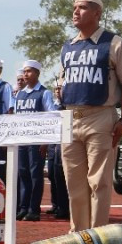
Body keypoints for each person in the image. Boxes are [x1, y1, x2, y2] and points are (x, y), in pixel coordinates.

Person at [58, 0, 122, 231]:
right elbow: (62, 80)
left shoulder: (114, 43)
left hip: (100, 116)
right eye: (74, 8)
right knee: (74, 184)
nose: (76, 12)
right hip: (70, 117)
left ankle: (96, 236)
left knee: (99, 183)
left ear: (97, 13)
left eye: (82, 8)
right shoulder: (68, 47)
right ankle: (78, 235)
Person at [15, 60, 55, 221]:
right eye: (24, 71)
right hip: (22, 140)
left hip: (37, 140)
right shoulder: (20, 94)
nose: (26, 74)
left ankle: (34, 209)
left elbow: (51, 117)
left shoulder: (44, 93)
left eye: (29, 71)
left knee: (35, 175)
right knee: (23, 172)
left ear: (37, 73)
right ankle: (23, 207)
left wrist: (45, 141)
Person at [46, 82, 70, 219]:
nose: (57, 91)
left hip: (63, 141)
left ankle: (64, 207)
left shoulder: (67, 104)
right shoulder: (53, 105)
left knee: (61, 175)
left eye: (60, 89)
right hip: (52, 142)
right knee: (52, 174)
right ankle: (55, 204)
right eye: (56, 89)